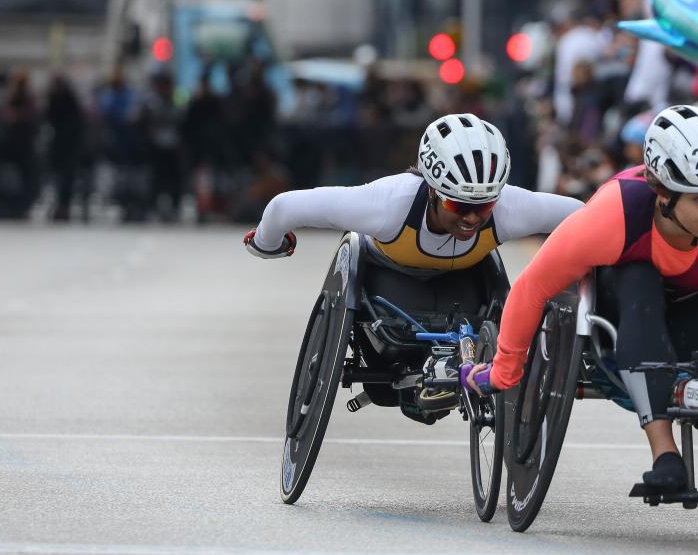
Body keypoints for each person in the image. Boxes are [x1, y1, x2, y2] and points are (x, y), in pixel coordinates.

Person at [464, 105, 698, 490]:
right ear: (662, 192)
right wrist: (505, 371)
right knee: (638, 277)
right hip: (620, 325)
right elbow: (533, 288)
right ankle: (665, 454)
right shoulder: (615, 213)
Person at [244, 113, 583, 416]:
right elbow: (285, 207)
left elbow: (586, 217)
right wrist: (266, 242)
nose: (470, 218)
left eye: (484, 207)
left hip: (464, 287)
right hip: (386, 284)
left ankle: (450, 370)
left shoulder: (510, 207)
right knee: (385, 390)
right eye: (457, 204)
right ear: (433, 190)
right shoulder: (389, 203)